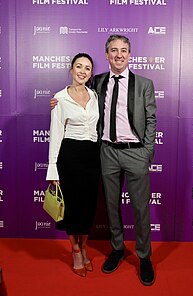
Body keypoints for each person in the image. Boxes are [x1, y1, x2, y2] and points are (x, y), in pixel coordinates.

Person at [51, 35, 157, 286]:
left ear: (130, 54)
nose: (119, 55)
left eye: (123, 50)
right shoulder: (97, 82)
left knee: (141, 208)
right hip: (106, 152)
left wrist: (147, 152)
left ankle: (144, 256)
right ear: (107, 55)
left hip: (135, 152)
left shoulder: (144, 84)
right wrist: (57, 101)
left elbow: (151, 120)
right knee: (111, 207)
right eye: (113, 50)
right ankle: (118, 249)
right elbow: (73, 96)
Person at [46, 53, 100, 278]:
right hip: (70, 155)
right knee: (71, 207)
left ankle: (85, 246)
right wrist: (53, 168)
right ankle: (75, 250)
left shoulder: (95, 95)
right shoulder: (60, 98)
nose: (83, 71)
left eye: (87, 68)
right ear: (71, 69)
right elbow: (56, 134)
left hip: (92, 156)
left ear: (90, 73)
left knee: (88, 207)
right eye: (79, 66)